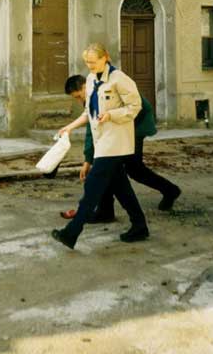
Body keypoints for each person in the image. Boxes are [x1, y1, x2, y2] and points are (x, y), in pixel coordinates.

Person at [51, 43, 149, 249]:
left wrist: (112, 114)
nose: (90, 65)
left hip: (116, 141)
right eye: (87, 62)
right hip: (102, 142)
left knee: (92, 187)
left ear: (105, 58)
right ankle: (140, 226)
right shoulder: (90, 79)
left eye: (93, 62)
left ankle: (71, 233)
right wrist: (68, 128)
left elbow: (135, 106)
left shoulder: (120, 79)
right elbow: (89, 113)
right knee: (121, 187)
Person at [61, 75, 181, 220]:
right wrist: (88, 159)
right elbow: (92, 128)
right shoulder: (92, 93)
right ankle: (107, 211)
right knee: (113, 166)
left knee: (129, 168)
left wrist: (88, 160)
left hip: (137, 123)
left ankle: (167, 193)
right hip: (124, 125)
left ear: (84, 86)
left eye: (78, 96)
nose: (79, 100)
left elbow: (91, 131)